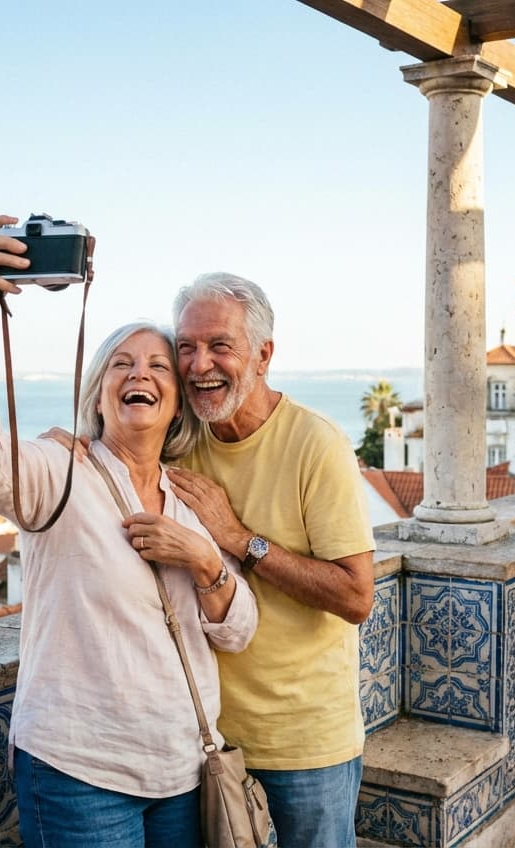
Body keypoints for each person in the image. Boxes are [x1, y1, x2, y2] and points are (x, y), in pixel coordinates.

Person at [0, 216, 257, 847]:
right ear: (99, 391)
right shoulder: (61, 471)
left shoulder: (189, 497)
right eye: (121, 363)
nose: (140, 373)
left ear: (176, 402)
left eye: (158, 366)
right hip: (79, 772)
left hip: (181, 771)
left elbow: (239, 628)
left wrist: (203, 559)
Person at [163, 273, 376, 848]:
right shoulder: (180, 440)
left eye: (219, 346)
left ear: (263, 355)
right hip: (205, 737)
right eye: (185, 347)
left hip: (305, 742)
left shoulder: (316, 444)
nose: (198, 364)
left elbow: (357, 597)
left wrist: (238, 537)